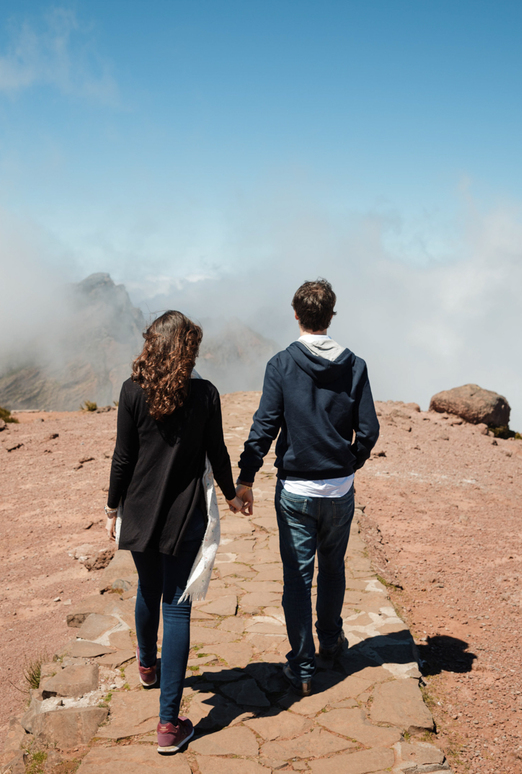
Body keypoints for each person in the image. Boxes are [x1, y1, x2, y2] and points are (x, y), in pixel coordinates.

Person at [106, 310, 245, 754]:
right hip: (185, 517)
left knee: (147, 588)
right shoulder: (204, 394)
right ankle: (168, 725)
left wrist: (112, 506)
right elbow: (217, 451)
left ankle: (147, 665)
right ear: (188, 351)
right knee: (178, 609)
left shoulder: (132, 391)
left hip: (141, 511)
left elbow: (123, 458)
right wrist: (232, 493)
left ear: (152, 344)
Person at [235, 279, 380, 695]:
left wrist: (246, 477)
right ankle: (331, 643)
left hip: (296, 492)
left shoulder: (281, 364)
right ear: (331, 316)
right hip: (338, 490)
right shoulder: (356, 365)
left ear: (295, 314)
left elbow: (264, 426)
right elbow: (368, 430)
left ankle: (301, 666)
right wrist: (350, 462)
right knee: (333, 569)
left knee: (297, 578)